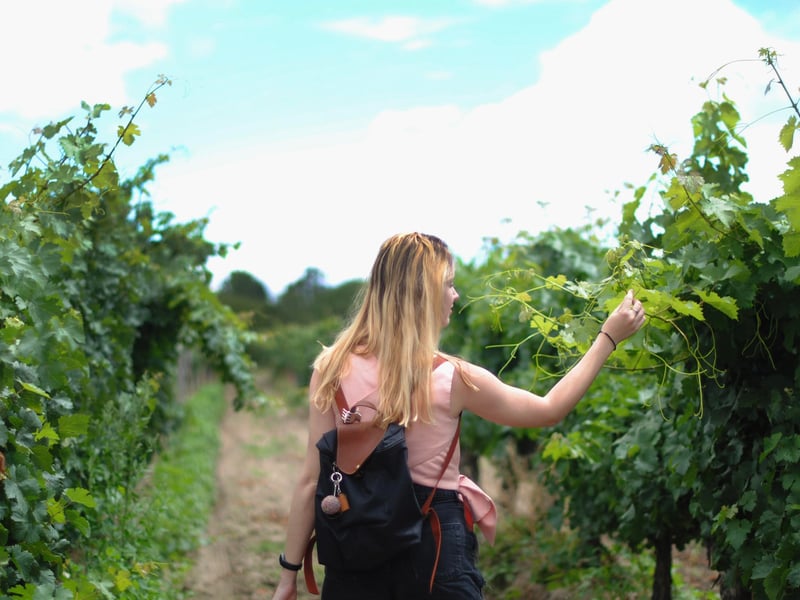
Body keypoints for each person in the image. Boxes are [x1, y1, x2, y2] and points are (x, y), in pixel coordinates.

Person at [271, 232, 645, 600]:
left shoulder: (331, 370)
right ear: (423, 294)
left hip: (356, 549)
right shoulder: (452, 378)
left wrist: (289, 574)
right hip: (434, 548)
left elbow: (310, 481)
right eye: (448, 284)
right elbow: (549, 410)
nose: (455, 295)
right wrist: (607, 338)